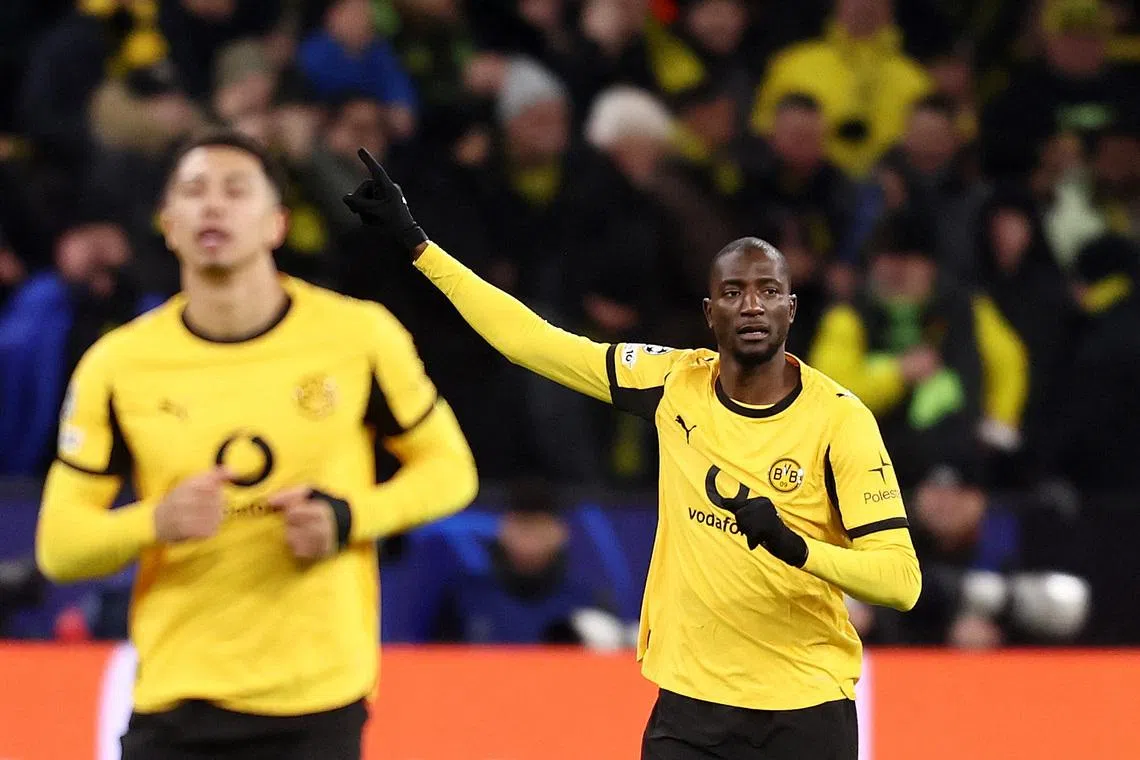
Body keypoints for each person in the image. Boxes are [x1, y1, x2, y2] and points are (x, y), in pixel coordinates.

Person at [344, 149, 922, 760]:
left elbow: (901, 581)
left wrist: (796, 548)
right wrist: (417, 244)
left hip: (804, 709)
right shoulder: (673, 382)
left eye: (768, 291)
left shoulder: (840, 420)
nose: (751, 305)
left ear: (790, 307)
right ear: (710, 313)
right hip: (690, 706)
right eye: (733, 292)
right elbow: (531, 342)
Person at [34, 130, 479, 760]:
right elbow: (59, 547)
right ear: (168, 224)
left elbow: (452, 471)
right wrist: (156, 520)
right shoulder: (118, 365)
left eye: (235, 190)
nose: (212, 206)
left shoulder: (358, 336)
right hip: (175, 698)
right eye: (193, 191)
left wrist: (348, 516)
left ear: (277, 225)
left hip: (317, 701)